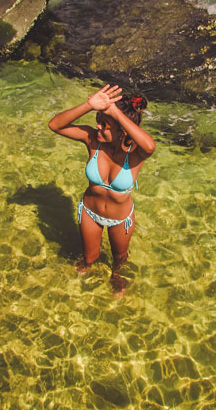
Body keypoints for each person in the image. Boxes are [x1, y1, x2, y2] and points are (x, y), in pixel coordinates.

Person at [48, 84, 156, 297]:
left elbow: (150, 146)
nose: (97, 126)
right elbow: (55, 125)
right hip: (90, 212)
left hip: (120, 218)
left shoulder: (135, 153)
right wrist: (89, 105)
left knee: (120, 259)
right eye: (98, 121)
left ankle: (116, 277)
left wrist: (115, 112)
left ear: (121, 130)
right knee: (88, 259)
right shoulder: (92, 140)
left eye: (104, 124)